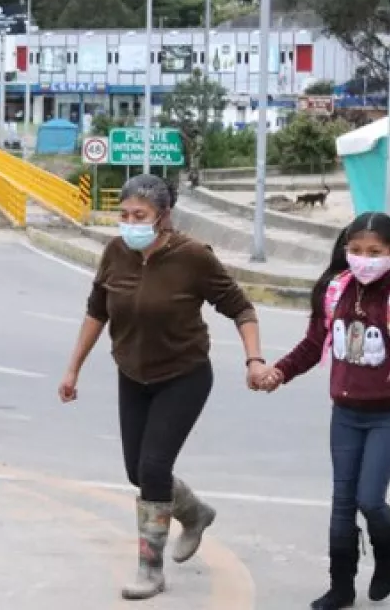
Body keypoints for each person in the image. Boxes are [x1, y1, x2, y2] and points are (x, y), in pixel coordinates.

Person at [58, 174, 266, 601]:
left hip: (183, 375)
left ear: (164, 217)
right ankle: (194, 513)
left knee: (153, 469)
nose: (130, 223)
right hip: (132, 374)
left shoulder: (193, 258)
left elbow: (241, 308)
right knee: (137, 471)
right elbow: (97, 313)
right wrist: (72, 369)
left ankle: (149, 569)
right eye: (125, 214)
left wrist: (254, 360)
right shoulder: (115, 253)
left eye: (141, 216)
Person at [254, 211, 390, 610]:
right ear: (345, 250)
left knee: (370, 499)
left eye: (374, 251)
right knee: (342, 500)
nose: (363, 258)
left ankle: (389, 553)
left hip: (389, 412)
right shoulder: (335, 290)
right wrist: (279, 373)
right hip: (346, 411)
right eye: (355, 250)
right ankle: (341, 586)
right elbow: (312, 345)